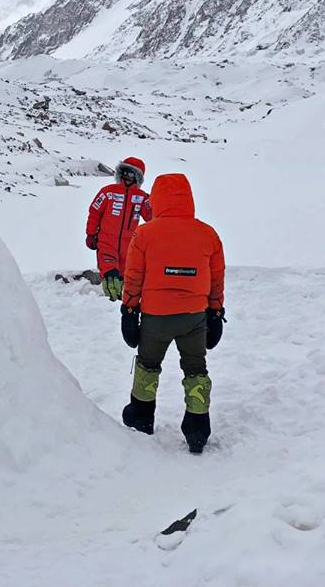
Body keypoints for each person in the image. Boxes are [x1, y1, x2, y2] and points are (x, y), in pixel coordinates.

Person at [118, 173, 225, 454]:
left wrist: (129, 309)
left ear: (157, 200)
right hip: (195, 318)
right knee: (195, 369)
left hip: (155, 318)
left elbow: (134, 276)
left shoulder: (145, 233)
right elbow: (216, 279)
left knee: (147, 365)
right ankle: (198, 428)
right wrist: (215, 311)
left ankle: (140, 417)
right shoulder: (208, 234)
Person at [85, 157, 152, 301]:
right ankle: (104, 305)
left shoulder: (142, 198)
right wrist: (91, 234)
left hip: (129, 247)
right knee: (110, 273)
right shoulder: (108, 192)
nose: (128, 177)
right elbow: (94, 212)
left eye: (132, 174)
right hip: (106, 242)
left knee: (125, 278)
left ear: (138, 178)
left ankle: (122, 304)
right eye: (125, 172)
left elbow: (153, 218)